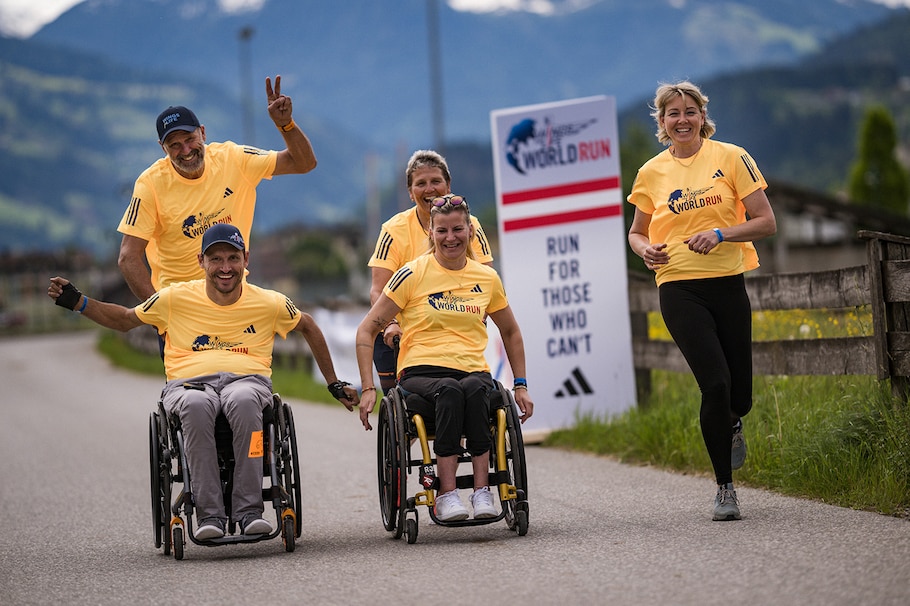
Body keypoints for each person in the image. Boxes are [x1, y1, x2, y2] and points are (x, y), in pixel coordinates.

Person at [48, 223, 359, 540]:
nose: (225, 268)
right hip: (190, 385)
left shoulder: (269, 302)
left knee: (245, 400)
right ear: (201, 262)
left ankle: (249, 512)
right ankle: (210, 516)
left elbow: (308, 325)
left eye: (232, 258)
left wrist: (333, 383)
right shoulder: (173, 299)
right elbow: (125, 319)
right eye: (216, 259)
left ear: (245, 260)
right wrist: (78, 302)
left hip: (247, 382)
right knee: (196, 405)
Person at [626, 81, 777, 521]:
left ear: (702, 116)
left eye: (690, 111)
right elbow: (637, 231)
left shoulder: (731, 157)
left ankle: (732, 421)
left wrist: (720, 233)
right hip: (678, 285)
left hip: (728, 281)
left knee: (739, 395)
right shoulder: (650, 172)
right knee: (714, 383)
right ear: (662, 122)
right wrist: (642, 249)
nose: (683, 120)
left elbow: (766, 222)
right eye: (673, 113)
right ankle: (725, 489)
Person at [355, 194, 534, 522]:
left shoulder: (486, 278)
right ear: (432, 234)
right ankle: (446, 494)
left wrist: (520, 384)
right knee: (451, 391)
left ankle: (483, 492)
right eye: (442, 231)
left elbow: (511, 332)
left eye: (457, 229)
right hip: (421, 370)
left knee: (478, 389)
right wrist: (368, 388)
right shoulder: (411, 274)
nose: (450, 238)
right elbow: (367, 331)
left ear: (469, 231)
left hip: (471, 369)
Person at [118, 75, 318, 301]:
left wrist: (286, 124)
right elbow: (128, 257)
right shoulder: (150, 184)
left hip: (234, 299)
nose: (185, 150)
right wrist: (157, 313)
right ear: (162, 148)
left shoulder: (233, 159)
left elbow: (304, 163)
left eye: (190, 138)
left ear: (203, 132)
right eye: (174, 145)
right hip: (182, 308)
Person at [368, 150, 494, 392]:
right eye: (421, 184)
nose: (429, 189)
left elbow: (487, 279)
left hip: (457, 325)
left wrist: (477, 316)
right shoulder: (393, 230)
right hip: (403, 334)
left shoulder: (470, 225)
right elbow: (377, 289)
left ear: (448, 186)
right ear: (410, 192)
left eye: (436, 181)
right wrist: (391, 323)